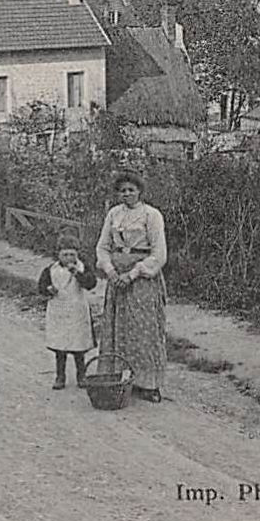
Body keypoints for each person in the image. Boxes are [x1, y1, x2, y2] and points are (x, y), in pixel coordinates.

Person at [95, 171, 168, 402]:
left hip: (141, 279)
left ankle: (148, 384)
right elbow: (103, 247)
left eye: (131, 189)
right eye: (122, 190)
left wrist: (134, 273)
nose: (127, 194)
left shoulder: (151, 215)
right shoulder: (114, 214)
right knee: (117, 328)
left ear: (140, 191)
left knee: (143, 330)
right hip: (116, 278)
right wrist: (111, 271)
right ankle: (119, 377)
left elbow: (159, 254)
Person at [38, 235, 97, 390]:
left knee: (78, 345)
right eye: (65, 255)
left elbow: (91, 283)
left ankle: (81, 375)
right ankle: (60, 376)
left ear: (77, 254)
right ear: (58, 254)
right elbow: (41, 286)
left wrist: (78, 274)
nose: (69, 258)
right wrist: (48, 290)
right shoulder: (51, 270)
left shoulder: (83, 268)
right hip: (59, 310)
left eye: (72, 254)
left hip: (77, 309)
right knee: (60, 346)